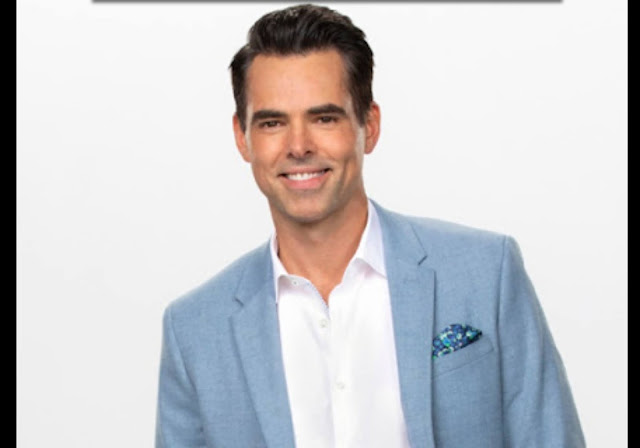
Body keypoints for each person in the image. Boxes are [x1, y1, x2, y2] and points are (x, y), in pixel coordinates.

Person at [155, 4, 585, 447]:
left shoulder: (486, 274)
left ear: (370, 125)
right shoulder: (194, 332)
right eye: (272, 123)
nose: (298, 146)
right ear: (242, 137)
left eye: (324, 118)